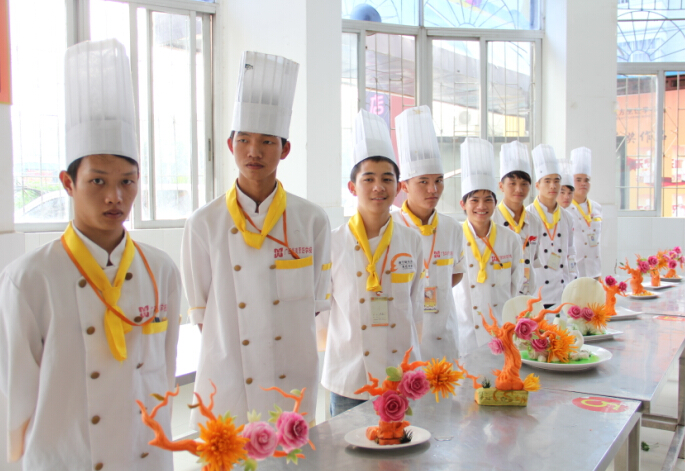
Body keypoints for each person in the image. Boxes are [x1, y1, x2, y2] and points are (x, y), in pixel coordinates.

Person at [0, 39, 181, 470]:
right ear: (68, 183)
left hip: (146, 459)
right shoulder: (30, 279)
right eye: (98, 181)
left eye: (127, 181)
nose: (115, 196)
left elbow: (164, 373)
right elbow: (14, 397)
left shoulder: (161, 270)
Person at [181, 52, 332, 427]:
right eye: (244, 140)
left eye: (267, 141)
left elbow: (314, 304)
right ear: (230, 144)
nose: (254, 151)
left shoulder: (311, 220)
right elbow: (203, 314)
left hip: (290, 377)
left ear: (285, 149)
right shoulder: (203, 223)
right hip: (228, 378)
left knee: (292, 456)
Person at [321, 109, 424, 417]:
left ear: (398, 186)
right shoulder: (332, 242)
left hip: (401, 377)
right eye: (369, 179)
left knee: (404, 447)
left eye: (387, 179)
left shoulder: (411, 241)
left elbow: (416, 307)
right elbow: (322, 316)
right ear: (353, 187)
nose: (378, 187)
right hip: (349, 378)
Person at [391, 105, 463, 362]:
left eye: (439, 180)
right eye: (423, 181)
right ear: (404, 186)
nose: (433, 189)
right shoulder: (391, 226)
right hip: (404, 337)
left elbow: (456, 272)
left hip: (445, 335)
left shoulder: (452, 227)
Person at [452, 138, 524, 357]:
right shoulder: (453, 237)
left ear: (495, 202)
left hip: (501, 333)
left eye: (488, 200)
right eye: (474, 200)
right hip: (464, 334)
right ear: (463, 204)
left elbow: (516, 286)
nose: (481, 206)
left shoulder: (510, 239)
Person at [526, 144, 578, 307]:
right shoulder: (527, 216)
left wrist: (574, 284)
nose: (553, 186)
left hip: (562, 293)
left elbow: (570, 253)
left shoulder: (567, 217)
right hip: (536, 295)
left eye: (556, 181)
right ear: (537, 185)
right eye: (547, 181)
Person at [492, 140, 542, 296]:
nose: (519, 189)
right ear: (501, 186)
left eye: (524, 184)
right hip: (500, 294)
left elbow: (534, 258)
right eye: (512, 183)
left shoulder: (534, 221)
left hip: (528, 293)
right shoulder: (492, 219)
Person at [568, 147, 602, 279]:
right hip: (574, 272)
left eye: (586, 180)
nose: (583, 183)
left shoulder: (597, 208)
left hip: (594, 271)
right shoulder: (565, 209)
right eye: (578, 179)